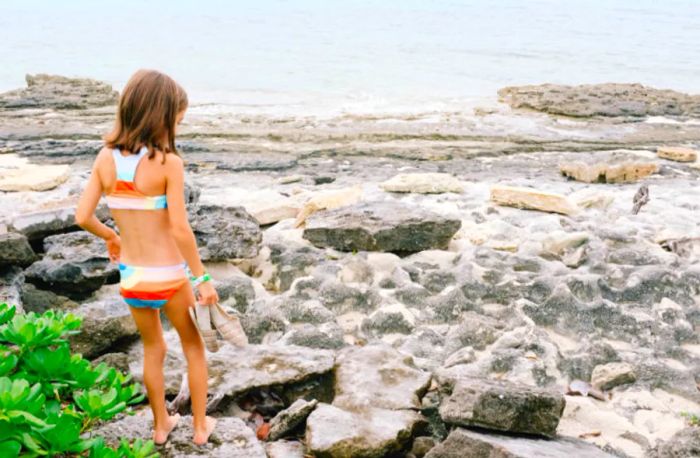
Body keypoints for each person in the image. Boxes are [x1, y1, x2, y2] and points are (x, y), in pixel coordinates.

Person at [75, 69, 217, 446]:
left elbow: (82, 216)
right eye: (176, 120)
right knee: (193, 347)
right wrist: (202, 279)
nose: (177, 128)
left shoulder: (105, 158)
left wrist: (111, 236)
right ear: (161, 116)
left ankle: (160, 426)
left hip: (133, 277)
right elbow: (180, 229)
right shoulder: (169, 163)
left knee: (154, 348)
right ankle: (201, 428)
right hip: (169, 276)